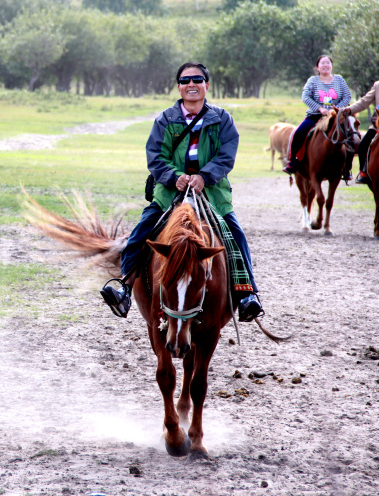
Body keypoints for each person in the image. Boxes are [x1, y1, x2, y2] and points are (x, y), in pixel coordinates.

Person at [100, 62, 263, 322]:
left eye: (197, 80)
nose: (192, 85)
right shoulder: (165, 119)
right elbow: (155, 156)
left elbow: (226, 155)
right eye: (186, 80)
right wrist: (174, 177)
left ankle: (247, 294)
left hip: (212, 194)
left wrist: (204, 176)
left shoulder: (222, 120)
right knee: (140, 232)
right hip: (169, 194)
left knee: (235, 235)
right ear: (178, 87)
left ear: (206, 85)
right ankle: (125, 287)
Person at [283, 55, 352, 178]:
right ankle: (293, 161)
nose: (325, 65)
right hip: (315, 115)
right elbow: (305, 97)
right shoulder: (312, 81)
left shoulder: (339, 79)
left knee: (351, 136)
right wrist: (320, 109)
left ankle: (347, 168)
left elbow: (347, 97)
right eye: (322, 63)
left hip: (336, 116)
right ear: (317, 67)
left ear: (331, 66)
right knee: (299, 133)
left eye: (328, 63)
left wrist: (334, 110)